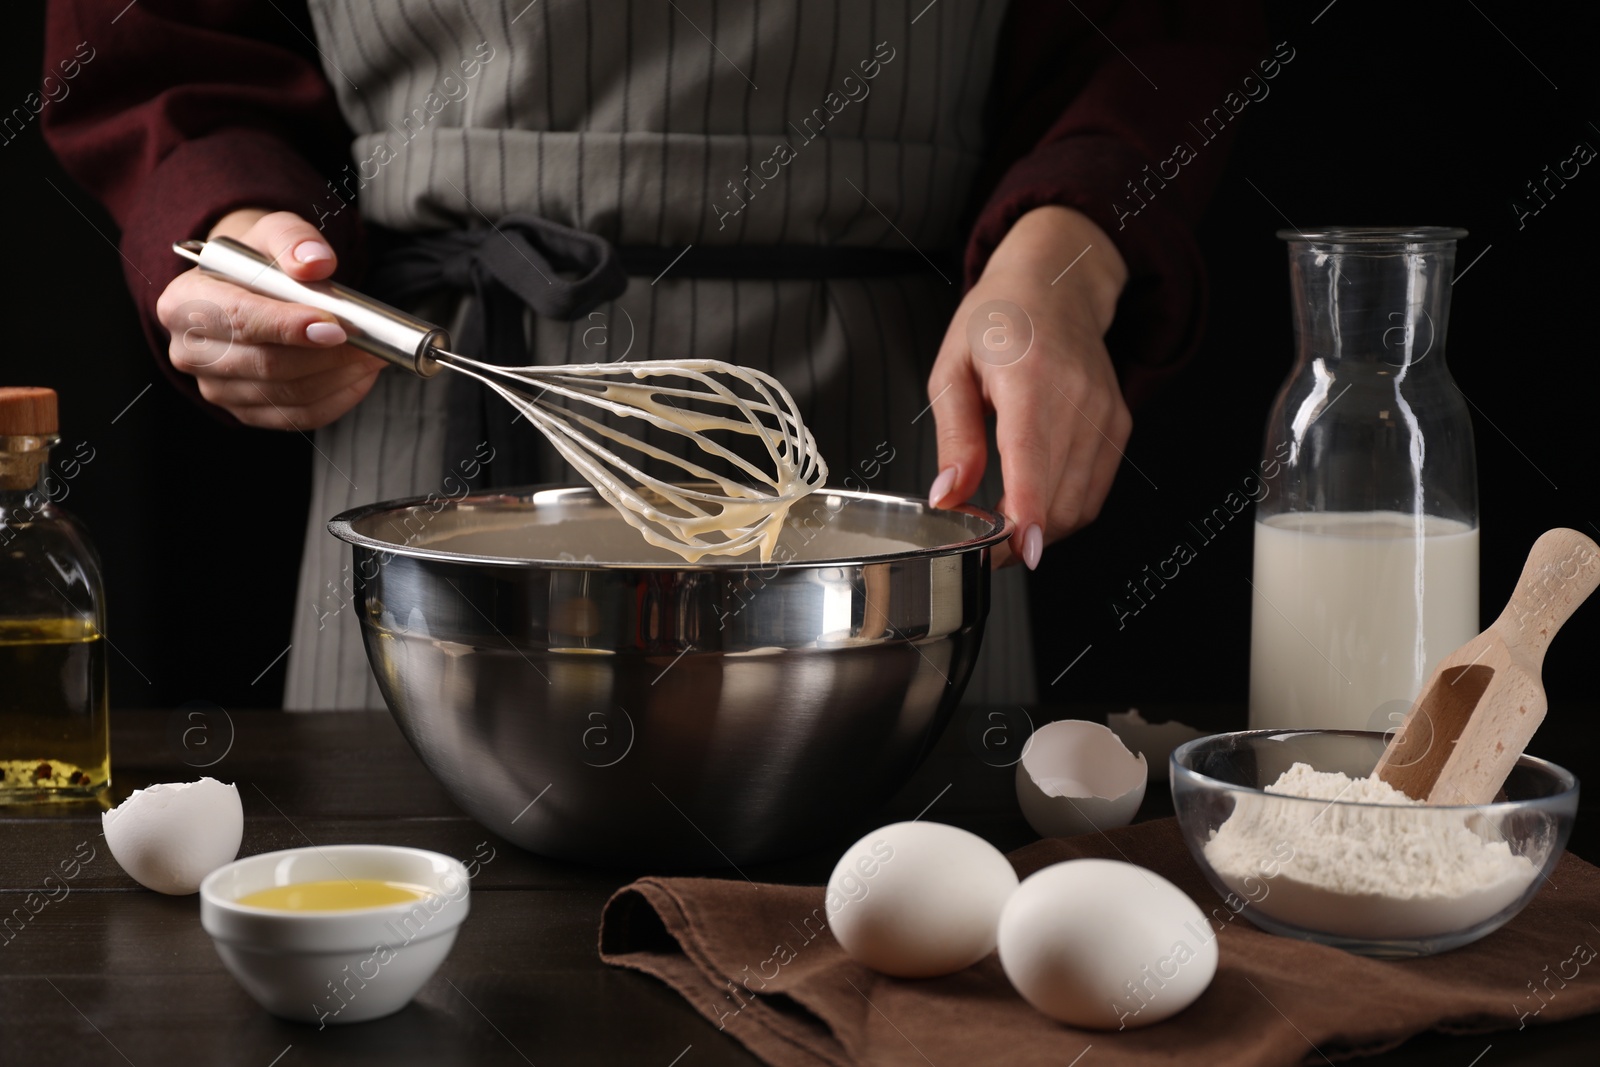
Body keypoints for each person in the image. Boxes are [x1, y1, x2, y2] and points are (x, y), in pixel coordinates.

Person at [43, 0, 1262, 709]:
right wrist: (237, 231)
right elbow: (162, 48)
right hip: (422, 440)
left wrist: (1067, 246)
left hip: (896, 434)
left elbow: (1164, 28)